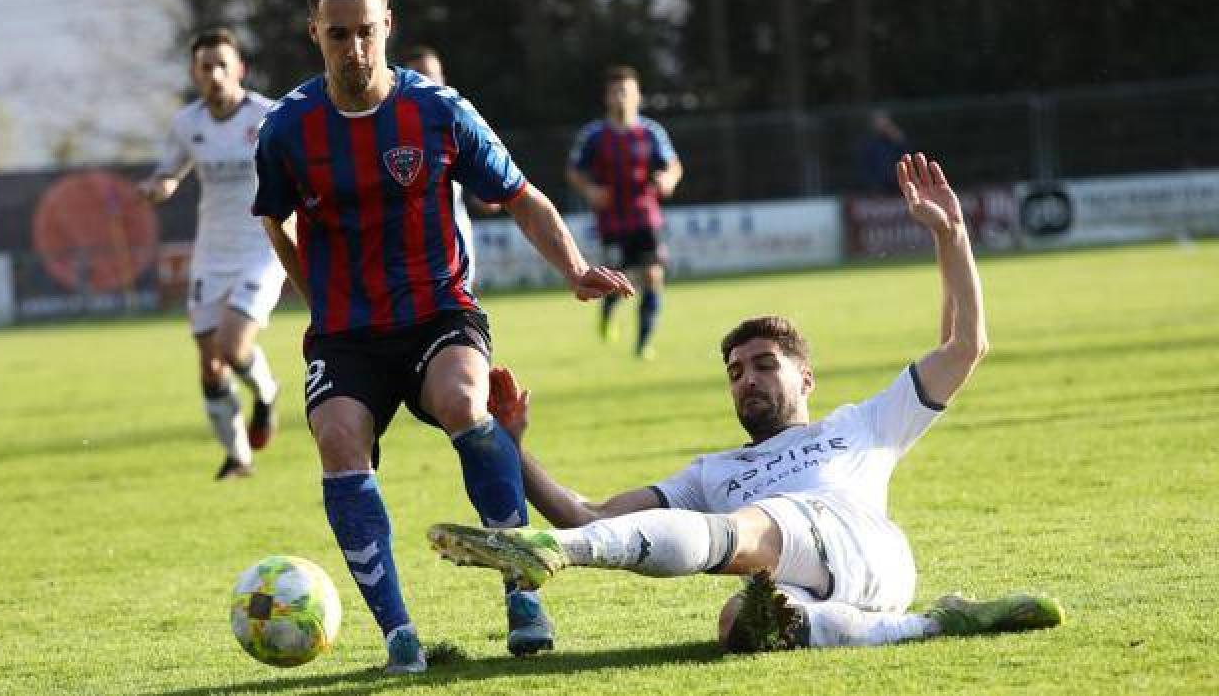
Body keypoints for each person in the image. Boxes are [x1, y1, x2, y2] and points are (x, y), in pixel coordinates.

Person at [429, 153, 1064, 653]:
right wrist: (514, 448)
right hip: (820, 583)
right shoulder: (712, 474)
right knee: (740, 624)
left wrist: (951, 237)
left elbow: (964, 345)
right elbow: (589, 513)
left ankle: (551, 558)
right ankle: (931, 626)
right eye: (735, 371)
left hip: (866, 546)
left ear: (807, 379)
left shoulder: (863, 425)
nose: (747, 379)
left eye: (764, 364)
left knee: (752, 530)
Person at [251, 0, 634, 674]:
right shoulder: (287, 129)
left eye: (366, 31)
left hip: (438, 314)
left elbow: (519, 195)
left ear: (388, 24)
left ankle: (522, 589)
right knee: (338, 439)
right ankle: (399, 636)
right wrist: (316, 300)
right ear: (314, 33)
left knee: (464, 399)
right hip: (348, 335)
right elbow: (275, 223)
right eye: (338, 34)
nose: (355, 49)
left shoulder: (438, 110)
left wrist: (575, 268)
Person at [137, 27, 285, 481]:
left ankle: (266, 394)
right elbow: (170, 171)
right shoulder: (187, 124)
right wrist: (158, 187)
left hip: (261, 247)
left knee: (232, 344)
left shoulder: (267, 116)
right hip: (211, 254)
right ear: (195, 74)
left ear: (239, 68)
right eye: (206, 67)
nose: (216, 74)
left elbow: (297, 167)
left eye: (224, 65)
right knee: (209, 364)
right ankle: (238, 458)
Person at [566, 66, 683, 359]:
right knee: (617, 280)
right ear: (607, 97)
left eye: (626, 92)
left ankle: (643, 343)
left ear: (637, 96)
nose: (621, 97)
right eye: (615, 92)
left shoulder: (651, 132)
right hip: (611, 221)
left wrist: (668, 179)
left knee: (653, 276)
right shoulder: (594, 135)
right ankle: (606, 315)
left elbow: (674, 165)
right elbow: (573, 171)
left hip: (645, 215)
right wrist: (590, 191)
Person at [398, 45, 500, 286]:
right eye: (417, 77)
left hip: (452, 243)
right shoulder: (388, 125)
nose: (426, 84)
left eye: (431, 76)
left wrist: (488, 192)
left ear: (442, 78)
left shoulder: (458, 118)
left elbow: (493, 187)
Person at [857, 109, 910, 192]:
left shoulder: (896, 140)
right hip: (877, 187)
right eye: (877, 121)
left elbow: (906, 156)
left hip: (897, 185)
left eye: (882, 121)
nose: (880, 124)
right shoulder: (869, 142)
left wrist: (899, 140)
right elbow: (865, 165)